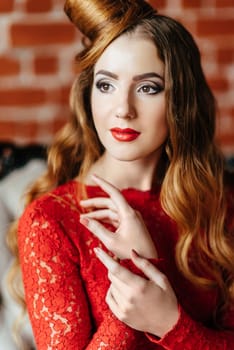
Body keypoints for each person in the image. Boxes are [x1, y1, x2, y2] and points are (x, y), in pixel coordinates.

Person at [8, 0, 234, 349]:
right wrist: (134, 273)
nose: (123, 109)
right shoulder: (51, 220)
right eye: (106, 85)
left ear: (180, 100)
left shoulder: (220, 205)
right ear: (88, 93)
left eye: (148, 88)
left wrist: (170, 324)